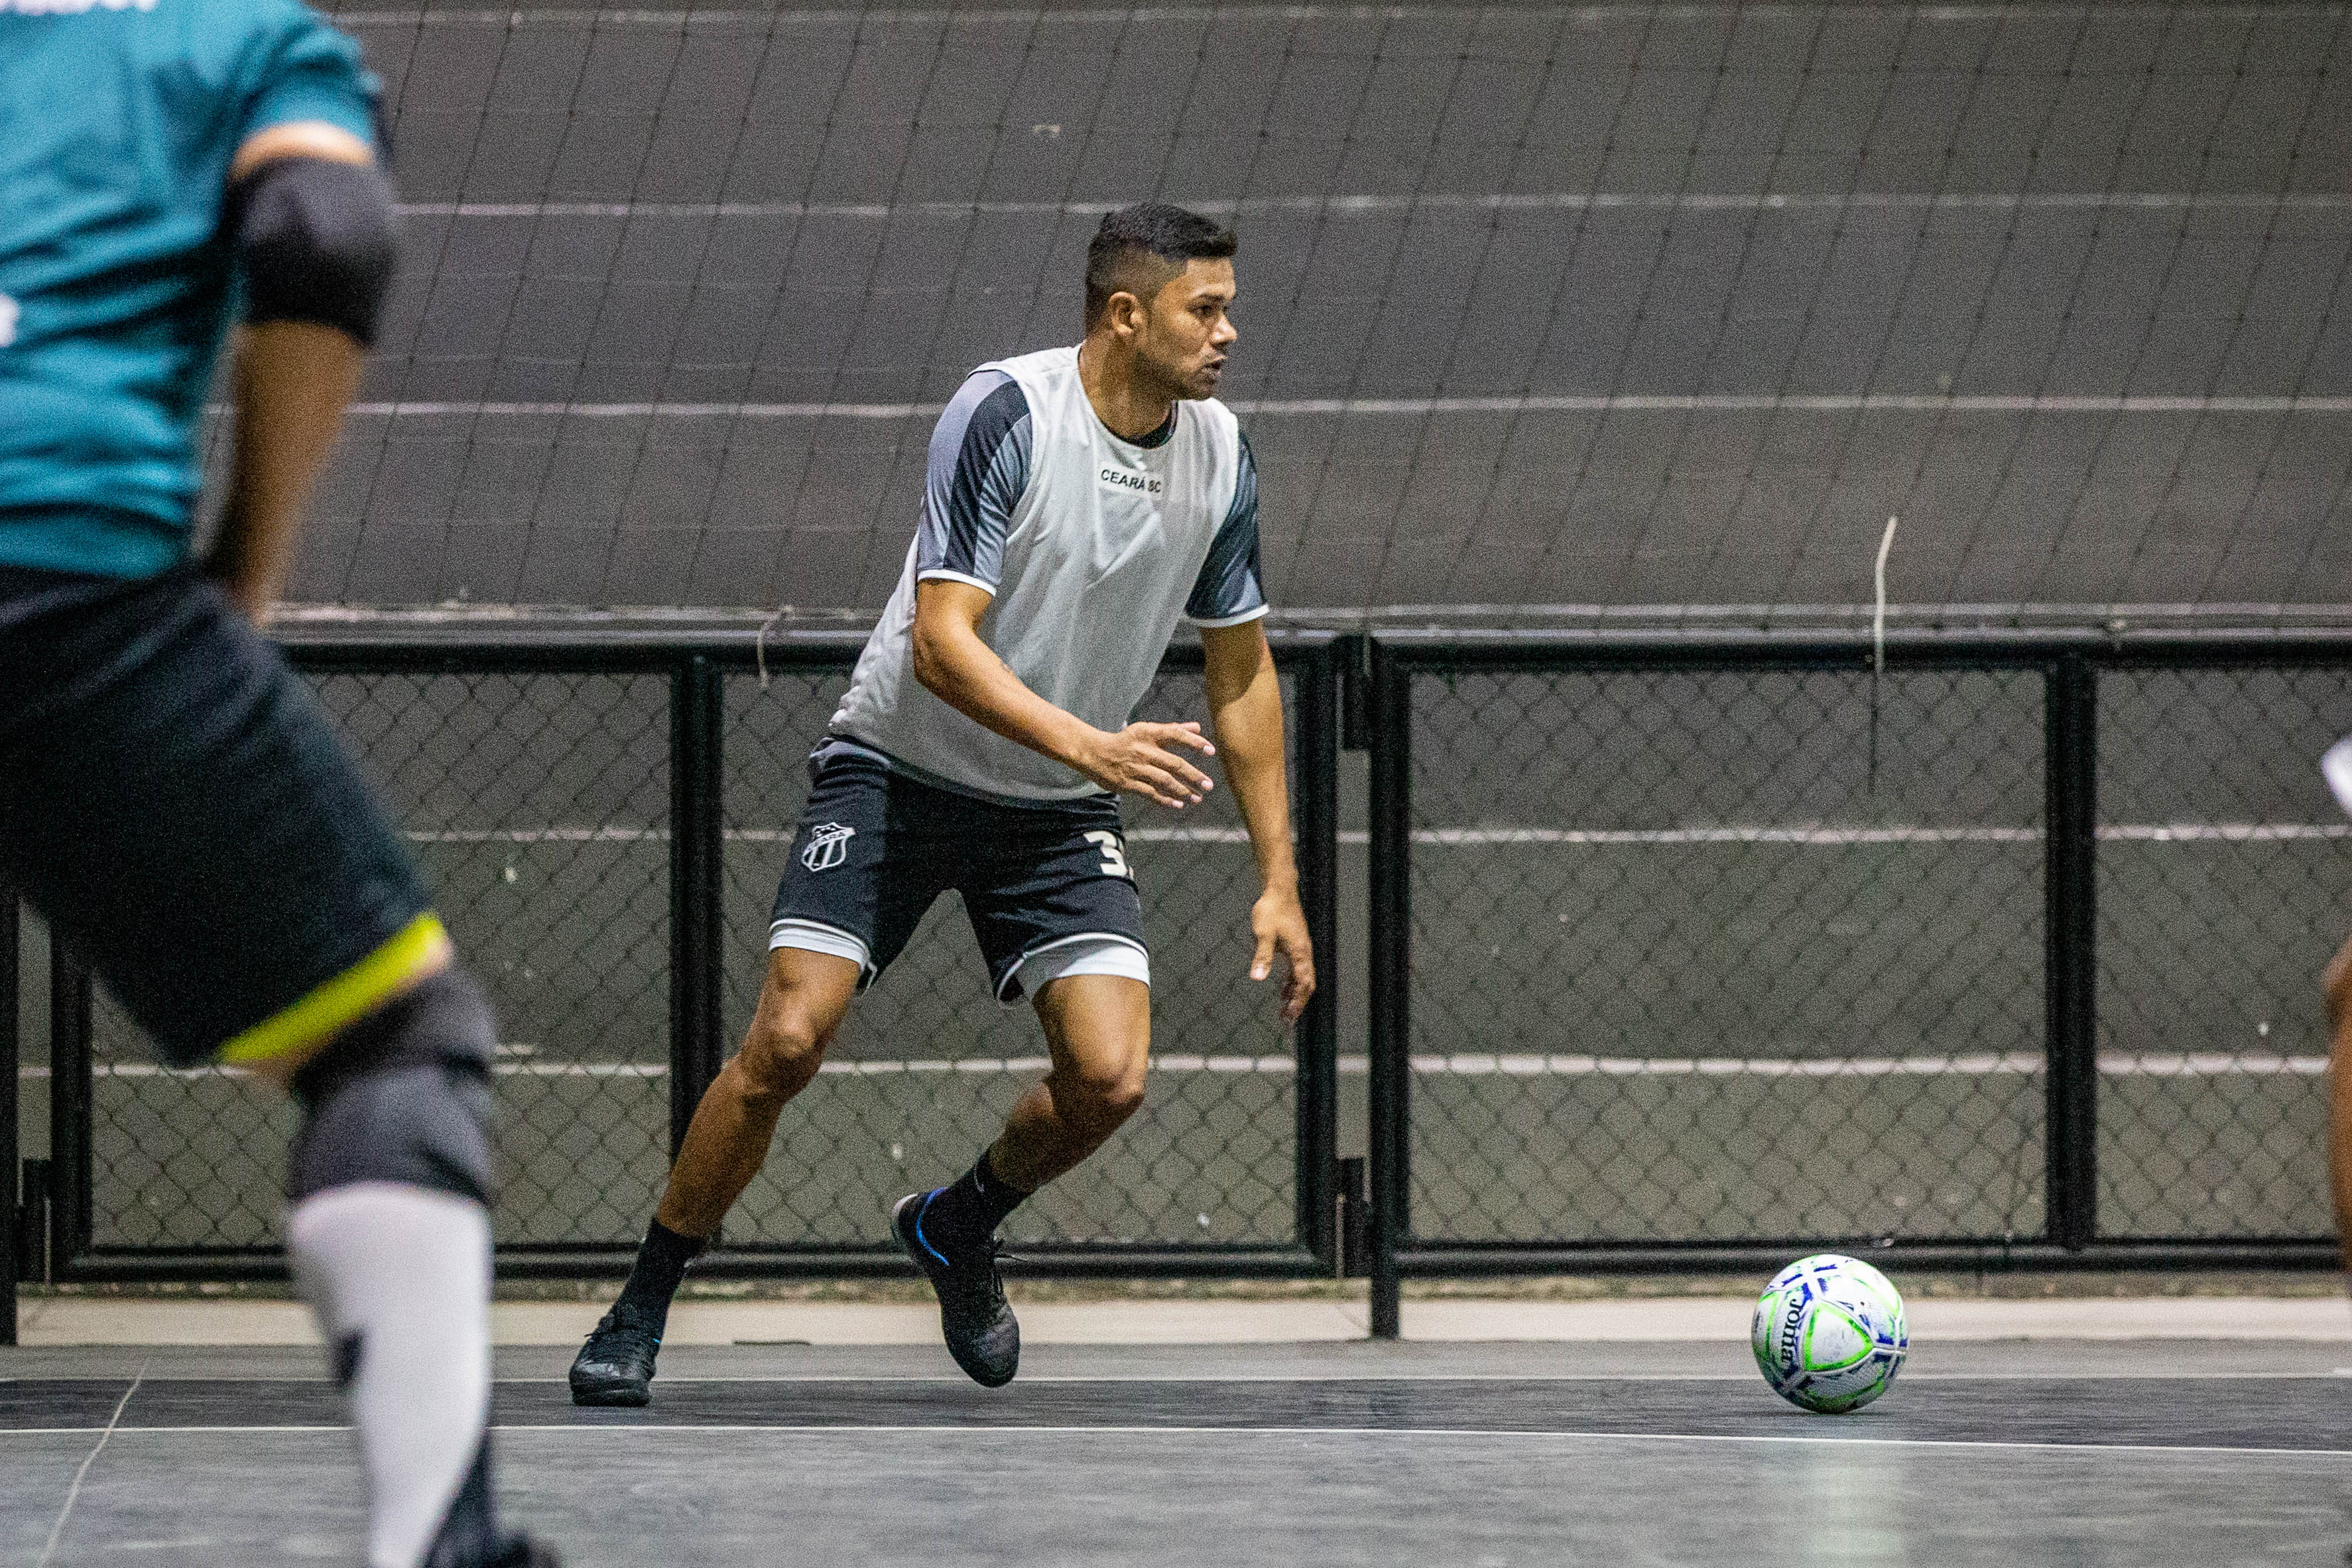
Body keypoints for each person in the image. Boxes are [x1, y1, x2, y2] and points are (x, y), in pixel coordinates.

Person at [570, 202, 1316, 1402]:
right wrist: (1093, 744)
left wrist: (1279, 875)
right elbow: (939, 646)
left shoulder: (1222, 454)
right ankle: (643, 1298)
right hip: (900, 769)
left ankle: (958, 1225)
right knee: (786, 1039)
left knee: (1111, 1078)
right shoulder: (1007, 414)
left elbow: (1242, 671)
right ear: (1128, 315)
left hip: (1056, 799)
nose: (1230, 331)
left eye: (1229, 306)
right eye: (1206, 308)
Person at [0, 3, 554, 1564]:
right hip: (62, 584)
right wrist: (245, 574)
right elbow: (323, 235)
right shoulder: (237, 45)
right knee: (393, 1039)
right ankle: (437, 1543)